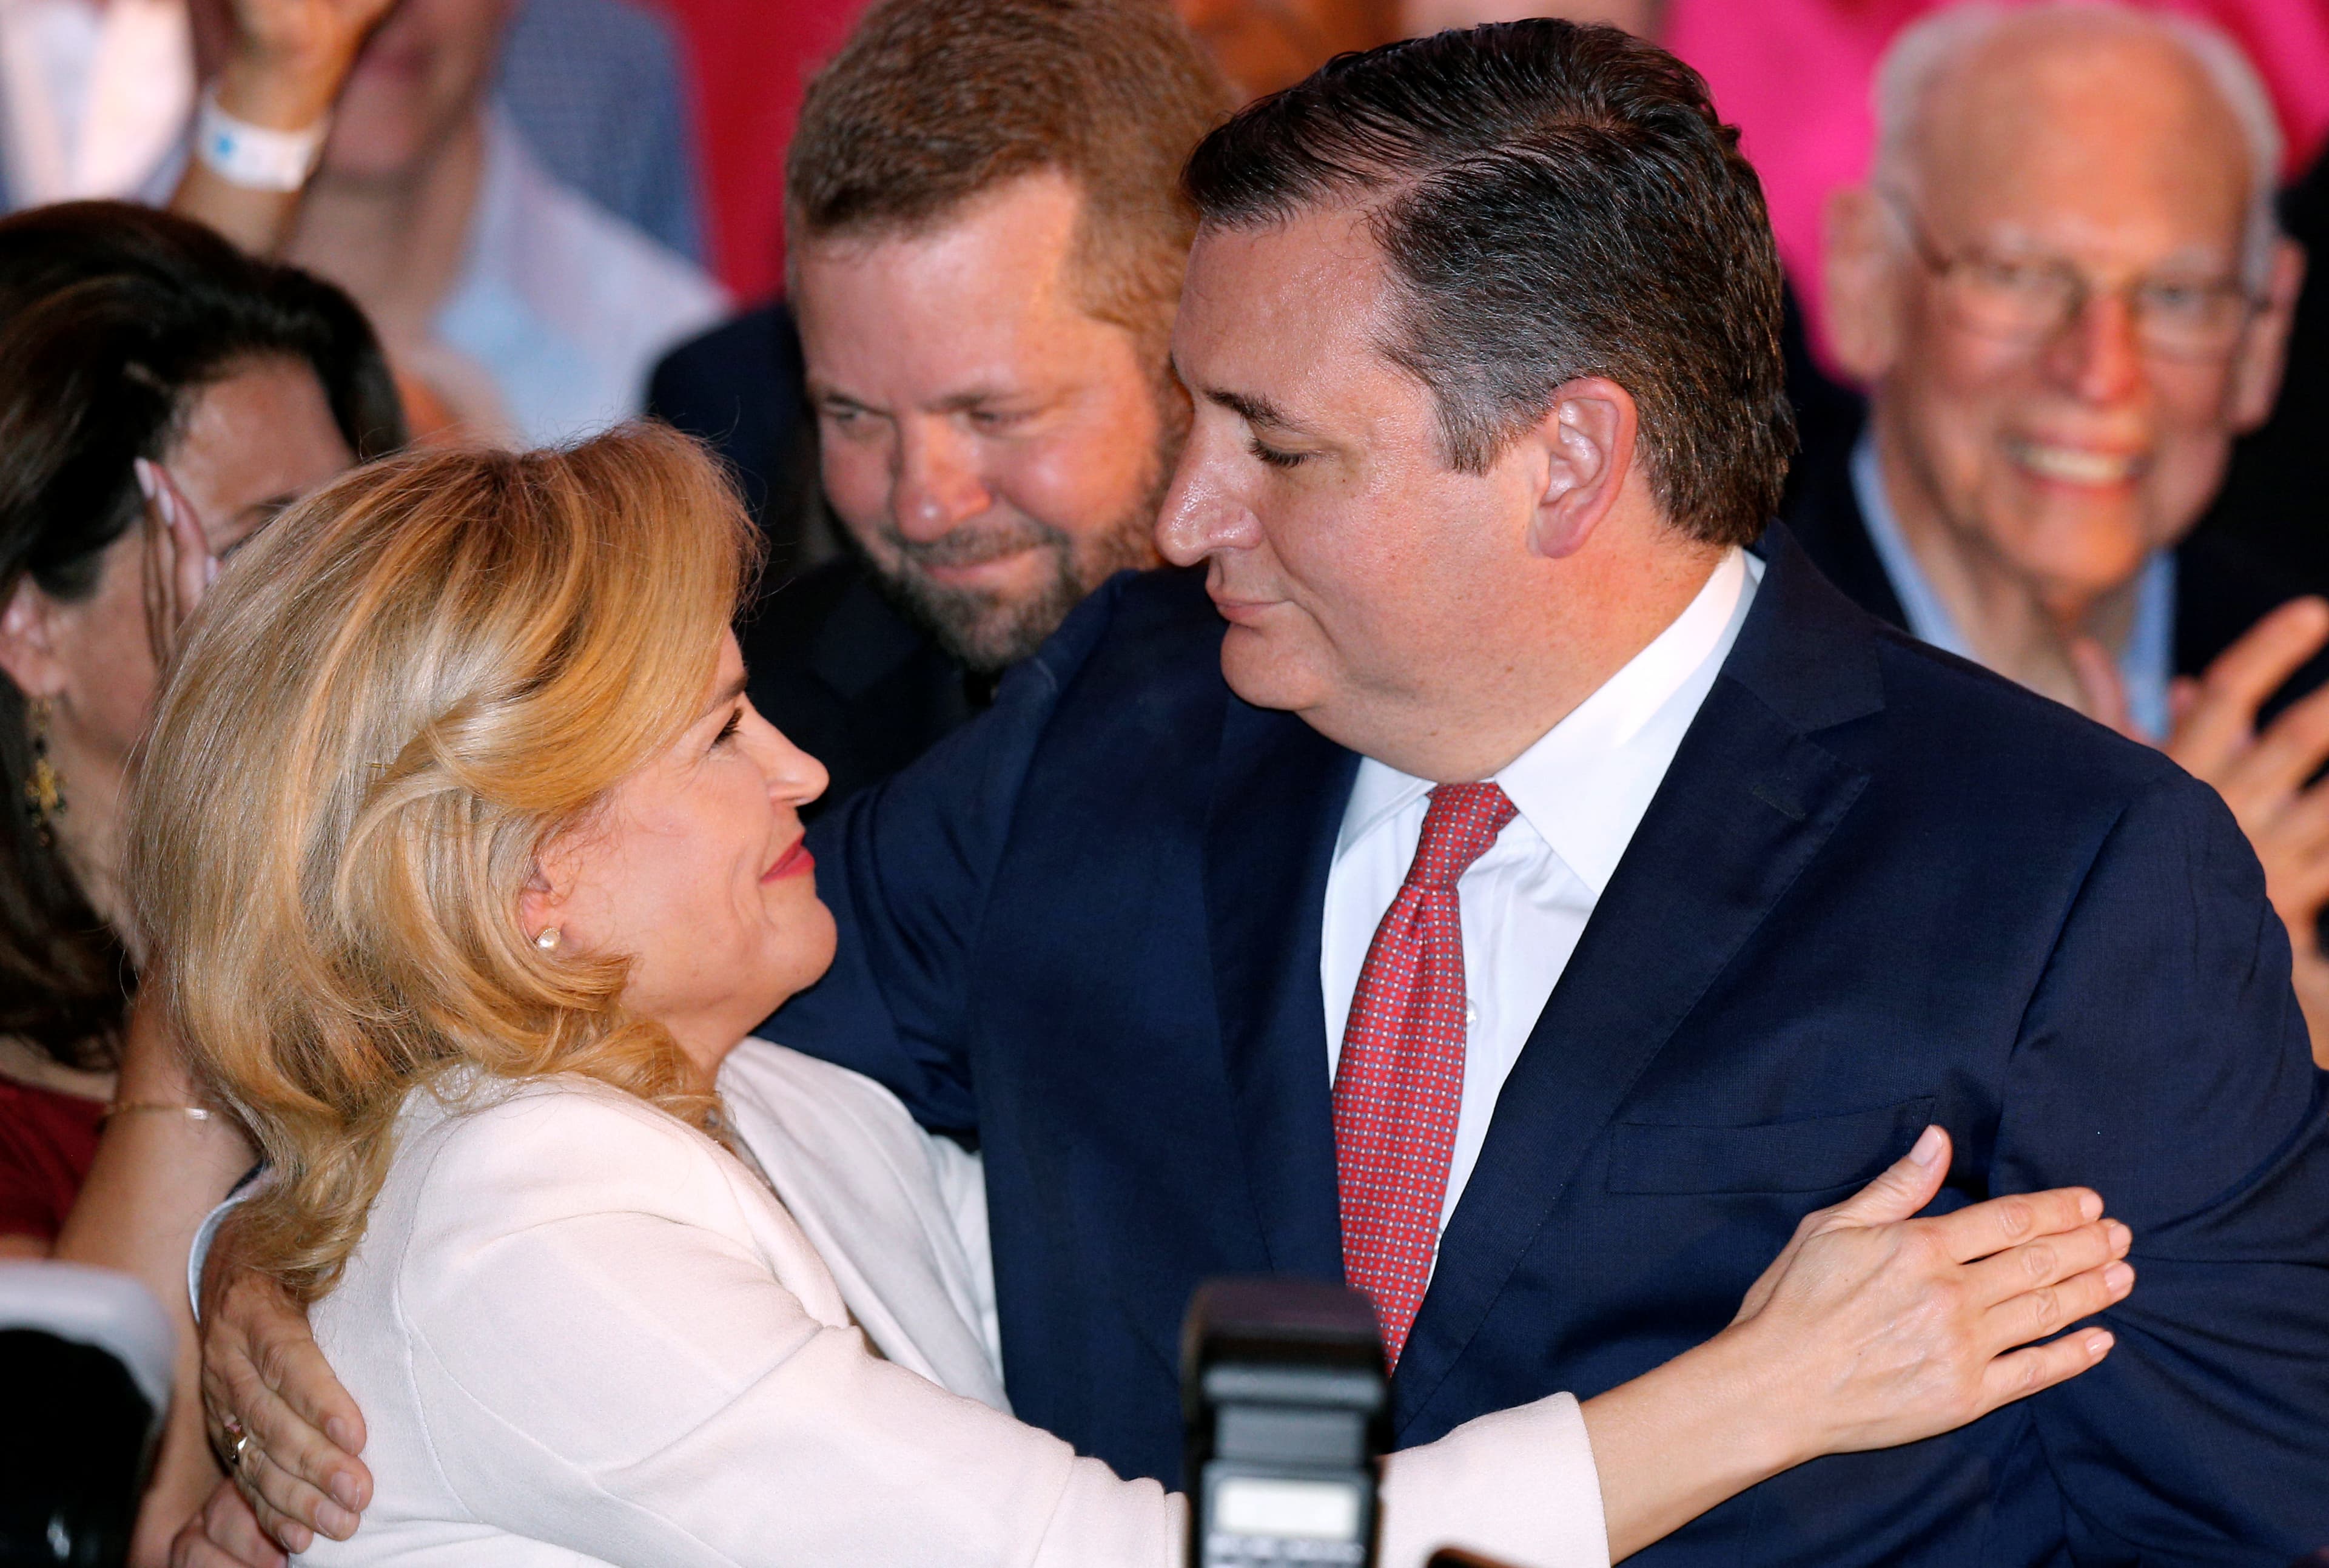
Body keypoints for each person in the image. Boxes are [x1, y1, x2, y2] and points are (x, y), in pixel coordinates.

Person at [202, 18, 2329, 1566]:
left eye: (1274, 444)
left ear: (1567, 461)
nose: (1185, 510)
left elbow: (2233, 1519)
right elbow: (529, 1023)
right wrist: (277, 1261)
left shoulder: (2066, 879)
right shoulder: (1120, 723)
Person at [152, 425, 2132, 1568]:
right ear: (535, 884)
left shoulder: (775, 1106)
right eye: (720, 729)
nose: (803, 772)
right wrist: (1754, 1394)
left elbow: (1199, 1423)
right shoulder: (540, 1229)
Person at [1801, 2, 2329, 1064]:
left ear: (2262, 337)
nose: (2100, 371)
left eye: (2177, 295)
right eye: (2019, 275)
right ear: (1863, 281)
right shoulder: (1685, 681)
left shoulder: (2310, 734)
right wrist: (2150, 963)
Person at [0, 198, 400, 1558]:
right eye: (259, 552)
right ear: (29, 624)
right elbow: (79, 1515)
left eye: (351, 540)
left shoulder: (380, 944)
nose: (337, 611)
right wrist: (211, 840)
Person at [660, 0, 1230, 815]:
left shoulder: (1368, 718)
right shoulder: (762, 733)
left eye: (993, 416)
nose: (923, 505)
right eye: (855, 417)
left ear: (1190, 350)